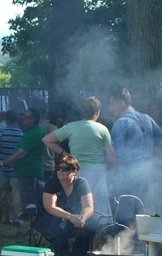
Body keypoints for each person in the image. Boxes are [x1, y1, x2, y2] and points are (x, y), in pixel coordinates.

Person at [43, 96, 115, 226]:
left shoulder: (71, 127)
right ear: (97, 112)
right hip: (98, 174)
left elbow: (47, 140)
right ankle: (96, 242)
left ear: (82, 112)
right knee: (98, 210)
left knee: (79, 207)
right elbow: (111, 157)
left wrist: (66, 154)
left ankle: (77, 233)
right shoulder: (103, 129)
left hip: (77, 173)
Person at [108, 87, 162, 215]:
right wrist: (155, 123)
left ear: (121, 103)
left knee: (126, 211)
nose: (110, 108)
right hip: (147, 171)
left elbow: (117, 154)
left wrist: (111, 175)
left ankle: (125, 235)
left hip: (127, 172)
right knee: (143, 208)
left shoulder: (121, 123)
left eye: (112, 104)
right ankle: (143, 234)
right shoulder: (147, 118)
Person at [33, 154, 97, 256]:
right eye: (58, 168)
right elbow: (50, 207)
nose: (60, 171)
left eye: (65, 169)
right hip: (48, 219)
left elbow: (89, 207)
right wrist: (70, 216)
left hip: (72, 220)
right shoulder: (52, 182)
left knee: (91, 223)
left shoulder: (81, 183)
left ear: (74, 171)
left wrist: (83, 218)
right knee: (56, 224)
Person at [0, 109, 46, 220]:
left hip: (28, 171)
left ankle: (32, 228)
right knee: (29, 200)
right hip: (30, 170)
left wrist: (1, 163)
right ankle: (28, 226)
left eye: (26, 117)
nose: (23, 119)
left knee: (28, 202)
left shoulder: (31, 134)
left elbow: (21, 154)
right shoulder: (35, 131)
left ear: (33, 120)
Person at [0, 110, 24, 225]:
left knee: (2, 192)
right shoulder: (22, 134)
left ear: (7, 120)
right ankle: (15, 217)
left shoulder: (1, 133)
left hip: (1, 167)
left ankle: (5, 218)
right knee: (16, 192)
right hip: (17, 168)